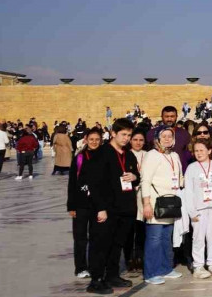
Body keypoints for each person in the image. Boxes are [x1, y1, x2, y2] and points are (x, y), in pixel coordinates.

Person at [88, 118, 140, 293]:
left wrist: (134, 177)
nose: (126, 138)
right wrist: (100, 208)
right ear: (113, 134)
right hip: (107, 208)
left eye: (129, 135)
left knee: (117, 244)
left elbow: (136, 176)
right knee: (101, 244)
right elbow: (93, 184)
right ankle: (96, 280)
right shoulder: (102, 153)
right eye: (123, 134)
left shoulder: (128, 154)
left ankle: (112, 274)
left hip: (125, 208)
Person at [140, 126, 185, 286]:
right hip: (155, 202)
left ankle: (166, 268)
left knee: (167, 238)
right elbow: (145, 180)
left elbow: (179, 177)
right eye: (164, 136)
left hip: (171, 202)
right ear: (157, 139)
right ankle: (151, 272)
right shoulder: (152, 155)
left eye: (170, 136)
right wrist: (146, 204)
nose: (167, 139)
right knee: (154, 238)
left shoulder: (174, 155)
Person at [183, 138, 212, 279]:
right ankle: (198, 266)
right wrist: (192, 211)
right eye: (196, 150)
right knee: (198, 238)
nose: (198, 153)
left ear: (209, 151)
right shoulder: (192, 168)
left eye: (201, 150)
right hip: (199, 209)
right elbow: (188, 191)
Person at [66, 129, 103, 283]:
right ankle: (80, 267)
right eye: (91, 139)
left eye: (97, 139)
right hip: (81, 204)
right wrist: (71, 206)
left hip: (97, 204)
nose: (94, 142)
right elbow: (72, 183)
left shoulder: (103, 156)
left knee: (96, 237)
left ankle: (95, 265)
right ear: (86, 140)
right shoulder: (79, 157)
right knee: (80, 238)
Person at [125, 129, 148, 272]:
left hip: (143, 195)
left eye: (141, 140)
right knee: (128, 230)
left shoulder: (148, 155)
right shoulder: (126, 155)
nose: (138, 143)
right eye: (135, 140)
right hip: (129, 195)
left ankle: (140, 257)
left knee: (141, 229)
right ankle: (128, 258)